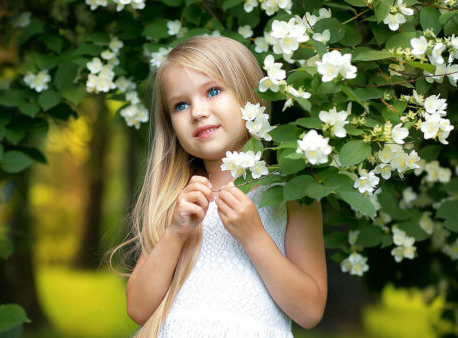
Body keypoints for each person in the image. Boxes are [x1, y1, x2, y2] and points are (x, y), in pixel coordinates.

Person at [107, 35, 327, 337]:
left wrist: (254, 236)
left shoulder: (293, 191)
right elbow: (138, 309)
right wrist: (175, 233)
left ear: (250, 96)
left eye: (212, 91)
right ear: (170, 125)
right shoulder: (178, 200)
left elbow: (310, 311)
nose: (198, 112)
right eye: (181, 105)